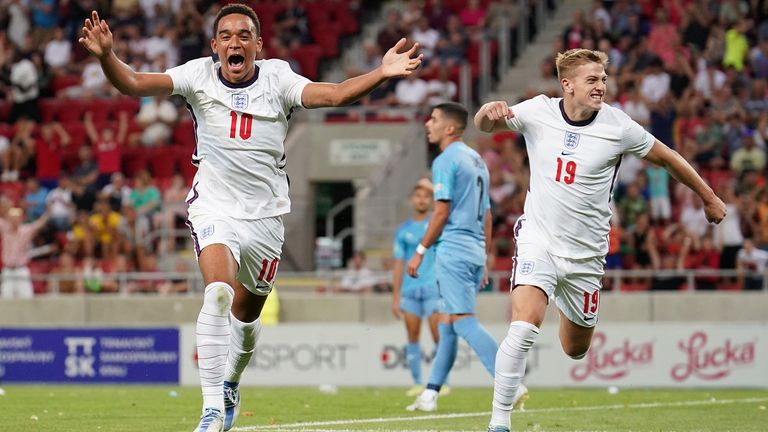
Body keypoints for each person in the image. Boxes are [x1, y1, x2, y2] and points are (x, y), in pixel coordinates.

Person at [78, 5, 422, 432]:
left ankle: (231, 383)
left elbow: (333, 95)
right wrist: (107, 56)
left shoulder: (279, 78)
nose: (234, 43)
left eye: (244, 35)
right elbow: (132, 83)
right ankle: (209, 411)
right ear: (214, 46)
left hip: (265, 216)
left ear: (258, 45)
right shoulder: (197, 75)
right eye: (225, 36)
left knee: (245, 317)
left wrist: (381, 72)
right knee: (218, 292)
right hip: (214, 205)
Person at [474, 48, 727, 432]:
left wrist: (708, 196)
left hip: (586, 255)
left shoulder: (619, 126)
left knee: (575, 349)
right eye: (592, 80)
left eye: (603, 80)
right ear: (567, 85)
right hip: (539, 238)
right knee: (524, 324)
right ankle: (498, 423)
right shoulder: (537, 111)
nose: (601, 87)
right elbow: (486, 125)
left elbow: (668, 157)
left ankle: (558, 295)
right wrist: (486, 111)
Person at [405, 102, 498, 412]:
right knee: (446, 325)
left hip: (454, 250)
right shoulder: (477, 160)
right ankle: (431, 393)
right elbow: (486, 213)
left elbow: (441, 210)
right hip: (473, 251)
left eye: (432, 119)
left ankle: (508, 378)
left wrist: (420, 251)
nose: (427, 124)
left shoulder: (446, 160)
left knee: (462, 321)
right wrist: (484, 257)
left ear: (448, 128)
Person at [392, 178, 441, 396]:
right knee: (412, 334)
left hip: (432, 286)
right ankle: (417, 382)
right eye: (418, 196)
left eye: (426, 196)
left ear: (431, 200)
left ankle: (441, 382)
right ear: (412, 200)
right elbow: (398, 263)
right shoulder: (403, 231)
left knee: (438, 334)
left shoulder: (437, 224)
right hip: (410, 290)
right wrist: (395, 297)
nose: (422, 199)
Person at [0, 207, 49, 299]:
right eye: (12, 218)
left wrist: (48, 212)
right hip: (8, 270)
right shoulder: (4, 228)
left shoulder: (26, 230)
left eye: (16, 218)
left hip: (21, 270)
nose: (14, 220)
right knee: (5, 299)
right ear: (8, 219)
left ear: (20, 219)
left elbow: (39, 224)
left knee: (27, 298)